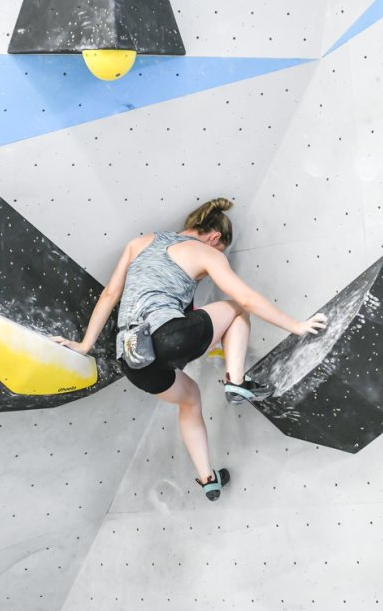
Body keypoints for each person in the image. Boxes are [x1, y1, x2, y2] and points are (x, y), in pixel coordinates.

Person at [53, 199, 327, 501]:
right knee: (237, 308)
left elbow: (110, 294)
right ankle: (236, 382)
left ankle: (208, 478)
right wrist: (295, 326)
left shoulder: (139, 243)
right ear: (214, 238)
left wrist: (84, 345)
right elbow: (246, 299)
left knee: (191, 398)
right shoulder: (206, 252)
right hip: (169, 335)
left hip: (133, 360)